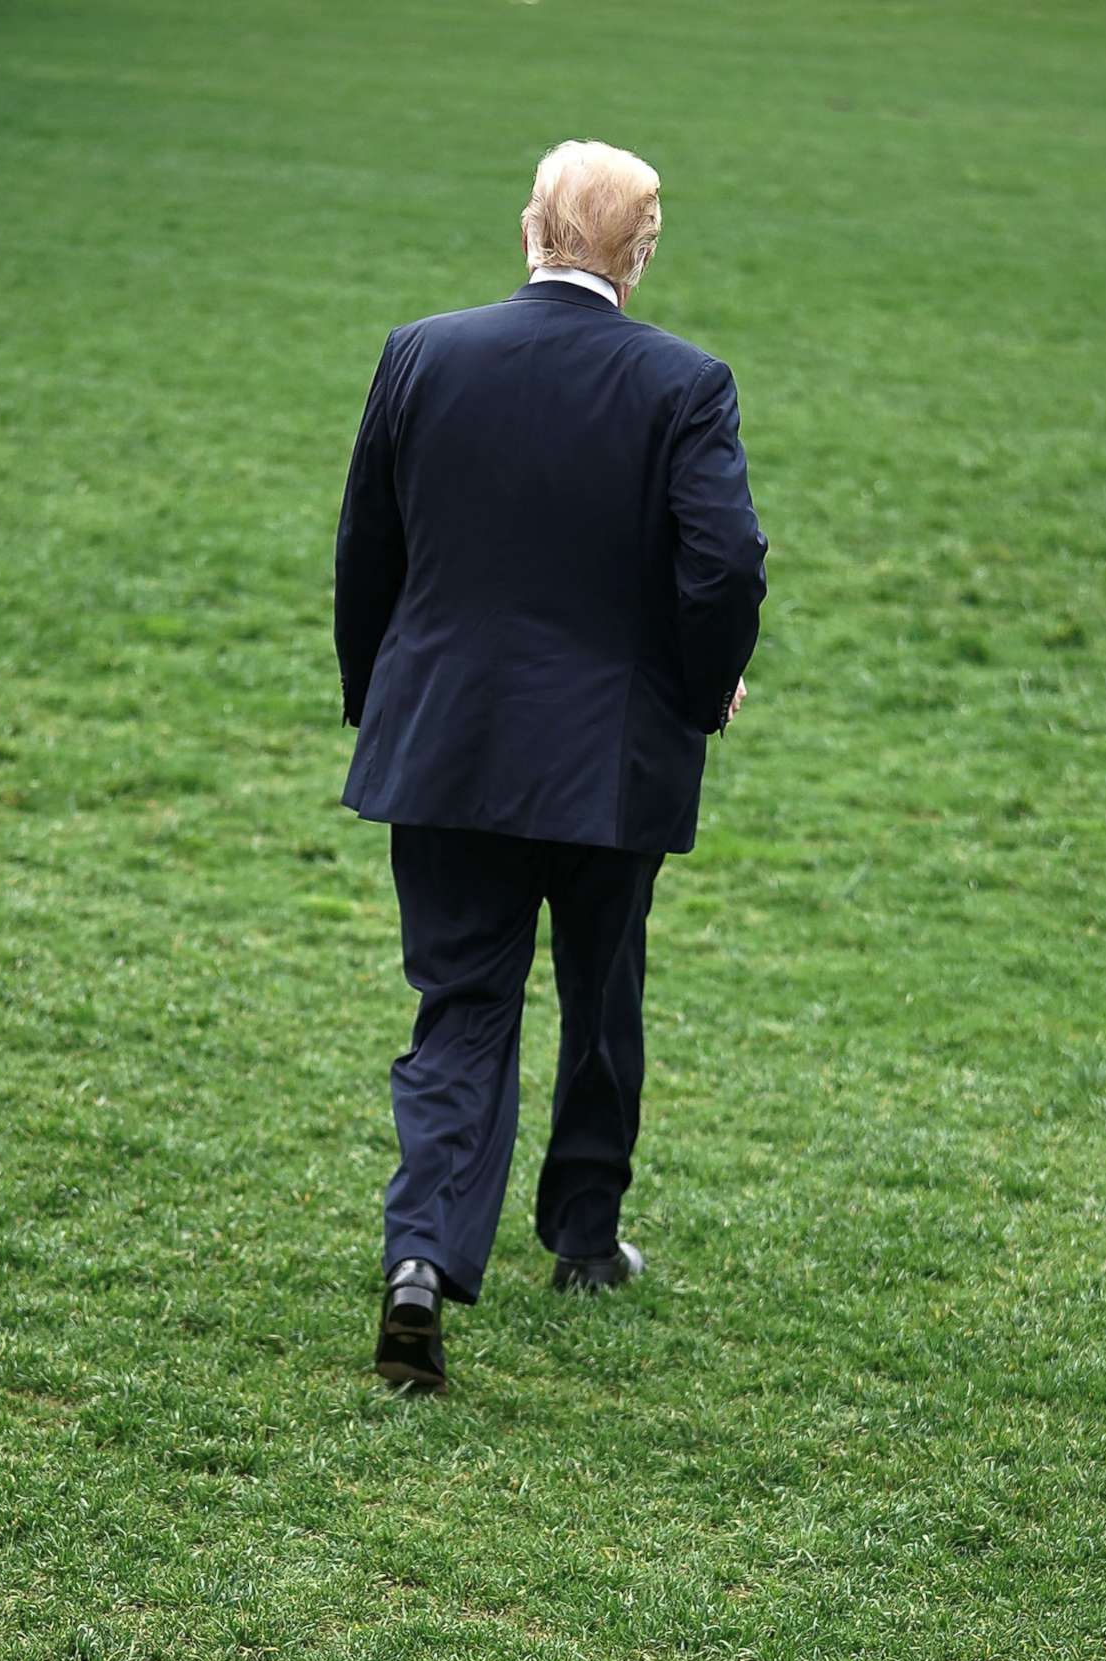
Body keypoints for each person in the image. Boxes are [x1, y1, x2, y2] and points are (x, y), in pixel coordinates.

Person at [333, 139, 769, 1392]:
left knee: (461, 1007)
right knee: (601, 982)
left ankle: (420, 1260)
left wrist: (386, 707)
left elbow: (369, 546)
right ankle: (584, 1234)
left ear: (529, 227)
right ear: (639, 258)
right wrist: (703, 690)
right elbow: (726, 564)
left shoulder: (423, 351)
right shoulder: (688, 383)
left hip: (450, 746)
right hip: (611, 756)